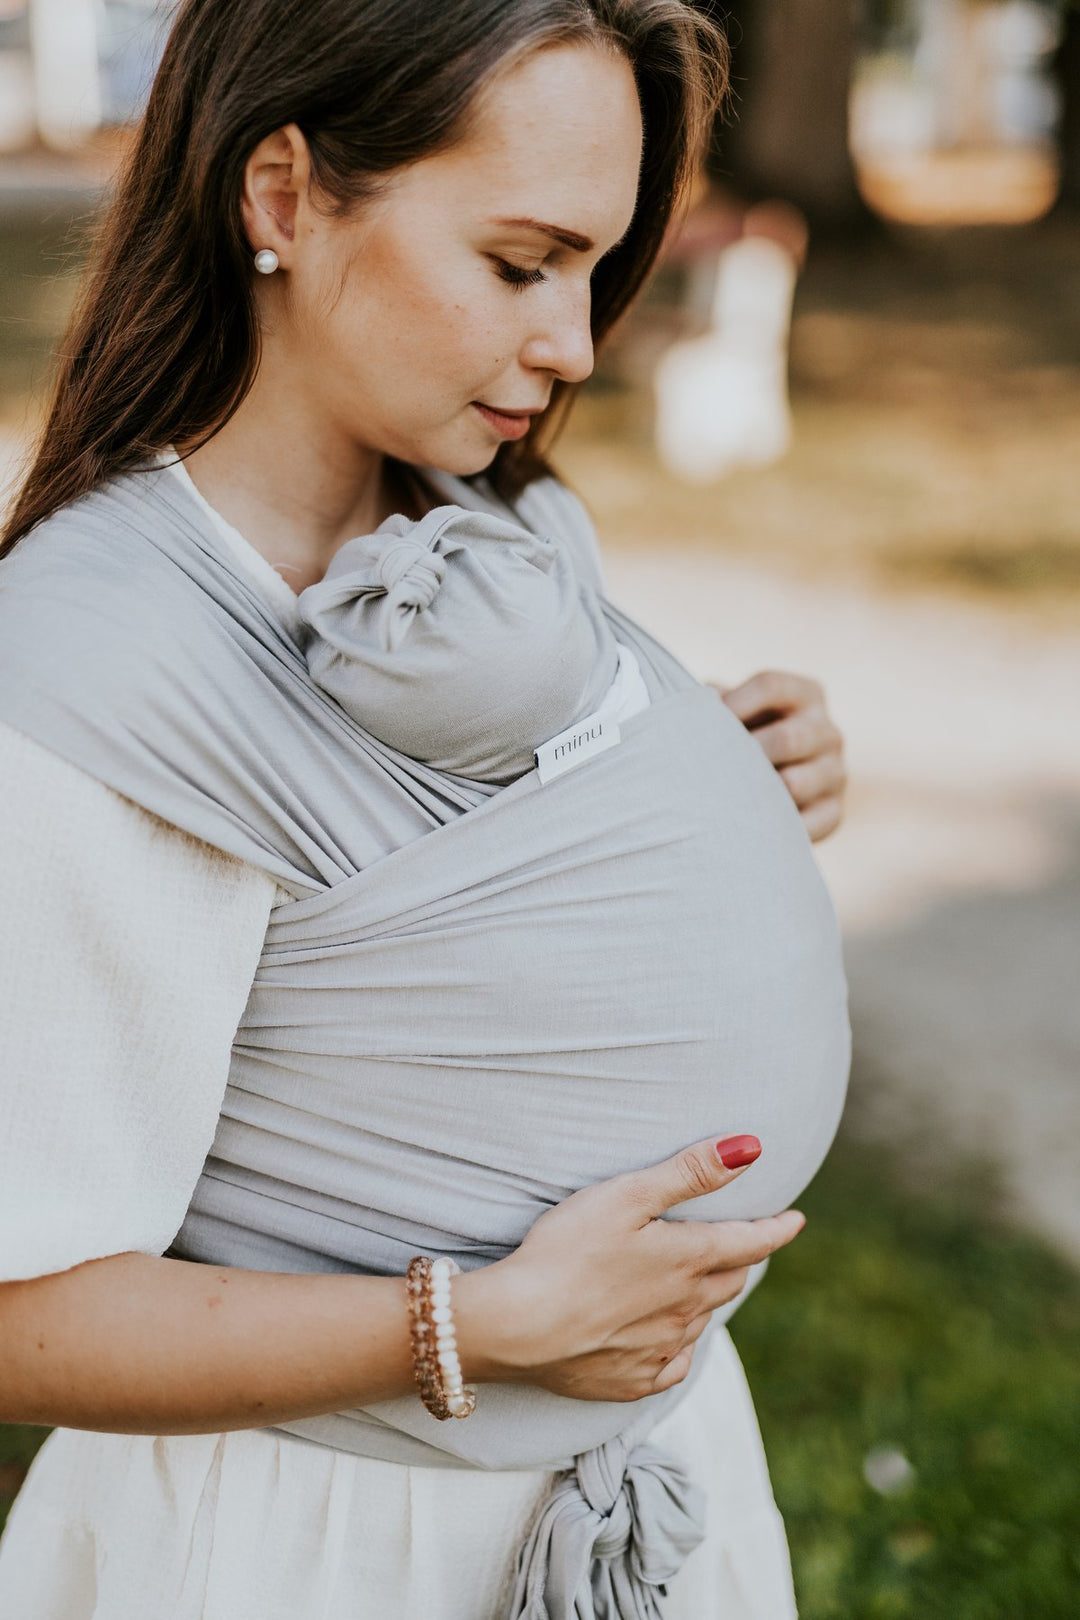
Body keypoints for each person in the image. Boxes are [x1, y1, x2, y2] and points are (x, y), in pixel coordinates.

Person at [0, 3, 850, 1616]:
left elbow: (470, 885)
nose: (577, 345)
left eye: (599, 270)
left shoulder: (488, 526)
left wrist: (716, 795)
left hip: (652, 1483)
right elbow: (15, 1314)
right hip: (318, 1539)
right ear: (283, 199)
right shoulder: (99, 675)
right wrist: (477, 1323)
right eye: (522, 263)